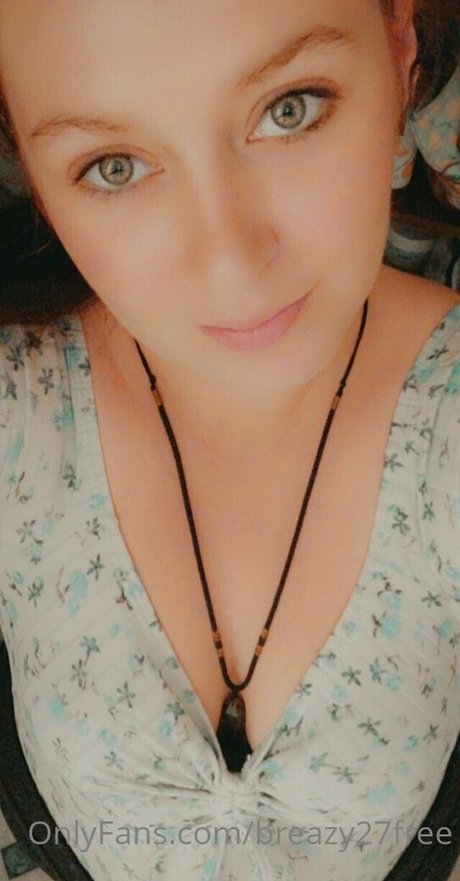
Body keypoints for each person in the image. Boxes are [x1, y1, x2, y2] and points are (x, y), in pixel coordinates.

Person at [0, 1, 459, 879]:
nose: (233, 263)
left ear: (400, 46)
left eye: (290, 108)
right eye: (114, 165)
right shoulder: (21, 409)